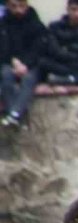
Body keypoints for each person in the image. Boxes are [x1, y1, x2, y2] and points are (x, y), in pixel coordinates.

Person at [0, 0, 47, 129]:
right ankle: (14, 114)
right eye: (14, 6)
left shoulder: (36, 24)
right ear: (8, 6)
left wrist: (25, 64)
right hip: (10, 63)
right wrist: (14, 62)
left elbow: (40, 48)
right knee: (5, 76)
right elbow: (3, 48)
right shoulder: (3, 24)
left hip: (32, 65)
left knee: (29, 79)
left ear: (26, 5)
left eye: (21, 6)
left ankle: (14, 114)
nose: (18, 10)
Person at [40, 0, 78, 86]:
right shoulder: (55, 27)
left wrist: (70, 47)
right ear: (67, 10)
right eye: (73, 9)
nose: (77, 14)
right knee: (43, 61)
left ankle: (70, 79)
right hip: (66, 64)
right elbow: (54, 51)